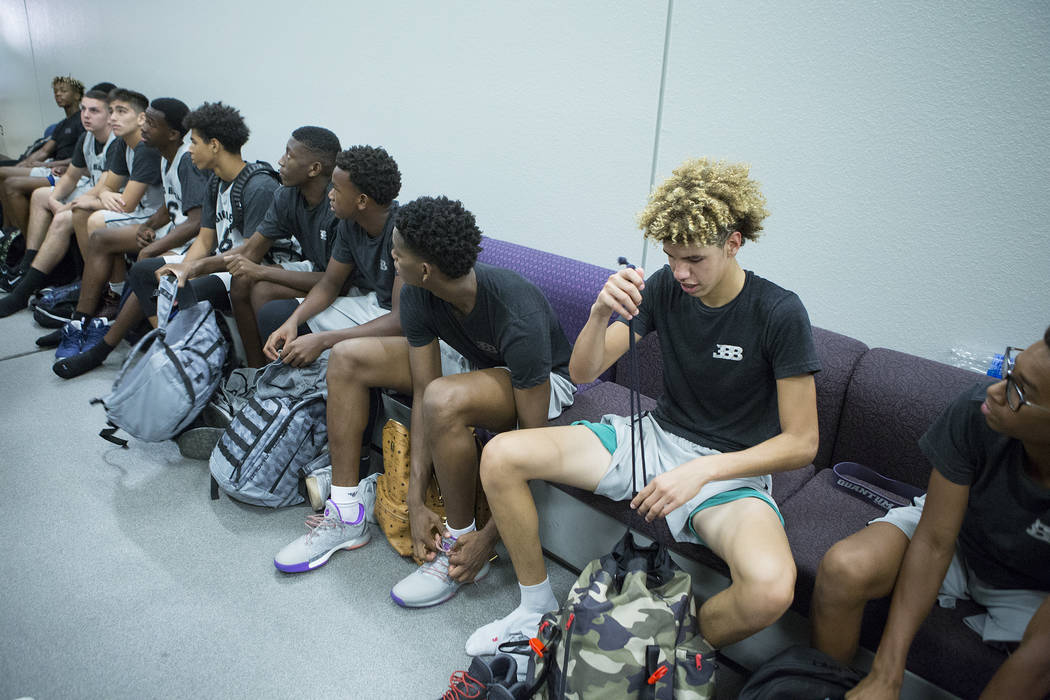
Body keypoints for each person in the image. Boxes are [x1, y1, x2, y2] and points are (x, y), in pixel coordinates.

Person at [468, 158, 821, 657]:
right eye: (671, 256)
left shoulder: (778, 312)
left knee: (770, 589)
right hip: (653, 438)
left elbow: (803, 443)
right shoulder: (664, 286)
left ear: (733, 242)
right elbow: (585, 371)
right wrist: (597, 314)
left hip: (728, 472)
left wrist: (701, 472)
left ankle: (656, 656)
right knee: (501, 455)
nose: (681, 272)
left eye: (694, 258)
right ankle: (533, 609)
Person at [273, 196, 577, 613]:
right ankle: (346, 513)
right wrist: (413, 503)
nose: (392, 259)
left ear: (426, 268)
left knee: (444, 397)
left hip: (544, 382)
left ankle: (459, 538)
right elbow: (422, 390)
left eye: (398, 254)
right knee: (348, 357)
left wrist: (488, 538)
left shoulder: (515, 310)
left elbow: (534, 443)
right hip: (475, 361)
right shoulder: (419, 292)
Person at [810, 331, 1050, 700]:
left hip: (1032, 583)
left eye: (1019, 392)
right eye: (1009, 372)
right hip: (960, 534)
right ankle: (825, 690)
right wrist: (886, 675)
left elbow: (1038, 660)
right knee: (845, 568)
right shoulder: (977, 411)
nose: (995, 392)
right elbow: (936, 539)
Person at [49, 97, 209, 377]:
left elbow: (197, 221)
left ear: (172, 134)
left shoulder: (186, 159)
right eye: (144, 119)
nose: (143, 126)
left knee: (145, 266)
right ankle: (80, 321)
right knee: (100, 238)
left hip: (194, 245)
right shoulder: (164, 154)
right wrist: (150, 224)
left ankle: (104, 343)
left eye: (151, 123)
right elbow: (171, 203)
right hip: (173, 234)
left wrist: (157, 243)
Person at [124, 101, 280, 327]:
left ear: (214, 145)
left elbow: (250, 253)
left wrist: (194, 269)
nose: (189, 149)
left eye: (194, 142)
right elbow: (205, 239)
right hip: (222, 262)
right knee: (151, 275)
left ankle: (188, 347)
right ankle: (168, 341)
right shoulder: (215, 181)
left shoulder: (259, 186)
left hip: (254, 267)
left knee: (192, 292)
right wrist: (182, 271)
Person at [258, 144, 403, 369]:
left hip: (402, 323)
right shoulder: (349, 223)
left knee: (333, 346)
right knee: (277, 316)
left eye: (336, 189)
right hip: (372, 303)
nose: (330, 195)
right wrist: (292, 322)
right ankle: (291, 395)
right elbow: (329, 284)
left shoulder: (402, 233)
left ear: (362, 201)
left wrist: (323, 340)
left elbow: (399, 320)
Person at [220, 126, 341, 367]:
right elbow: (250, 251)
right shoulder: (286, 195)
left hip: (344, 284)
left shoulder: (338, 204)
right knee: (242, 279)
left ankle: (275, 376)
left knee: (263, 290)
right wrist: (193, 267)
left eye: (290, 155)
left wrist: (261, 271)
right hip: (316, 269)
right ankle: (254, 372)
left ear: (315, 169)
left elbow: (336, 282)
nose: (280, 161)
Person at [1, 88, 117, 293]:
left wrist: (65, 206)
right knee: (41, 195)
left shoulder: (117, 142)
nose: (86, 115)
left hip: (107, 196)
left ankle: (31, 282)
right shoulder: (86, 137)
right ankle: (28, 264)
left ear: (110, 116)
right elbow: (71, 176)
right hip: (86, 186)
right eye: (83, 110)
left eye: (94, 111)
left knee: (63, 216)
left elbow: (103, 187)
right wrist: (55, 199)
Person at [0, 76, 86, 233]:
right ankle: (7, 230)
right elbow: (44, 151)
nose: (58, 95)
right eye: (55, 92)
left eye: (63, 91)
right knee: (3, 173)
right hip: (51, 165)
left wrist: (46, 164)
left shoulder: (83, 120)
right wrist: (21, 165)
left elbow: (79, 159)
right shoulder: (61, 125)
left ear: (77, 95)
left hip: (62, 169)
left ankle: (16, 235)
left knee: (10, 182)